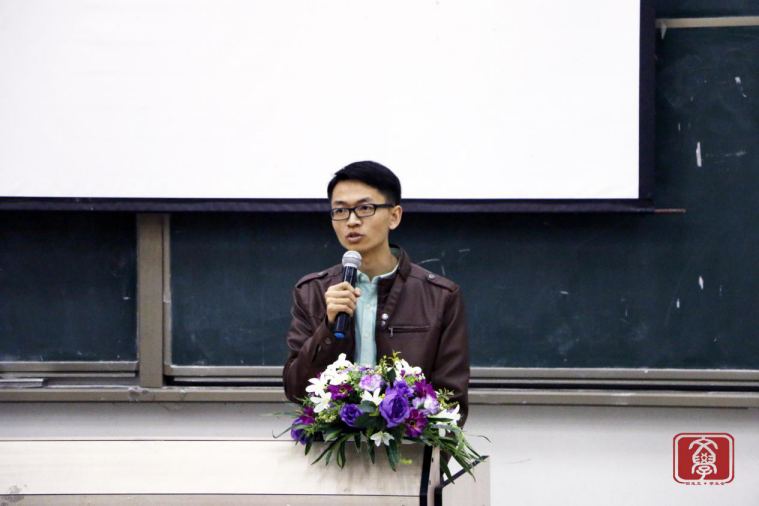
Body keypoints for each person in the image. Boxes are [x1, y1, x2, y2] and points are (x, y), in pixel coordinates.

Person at [282, 161, 470, 431]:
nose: (352, 221)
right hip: (331, 451)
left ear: (394, 216)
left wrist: (416, 451)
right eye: (340, 210)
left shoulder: (440, 296)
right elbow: (296, 390)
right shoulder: (311, 292)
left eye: (365, 208)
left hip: (408, 449)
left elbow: (451, 403)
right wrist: (329, 327)